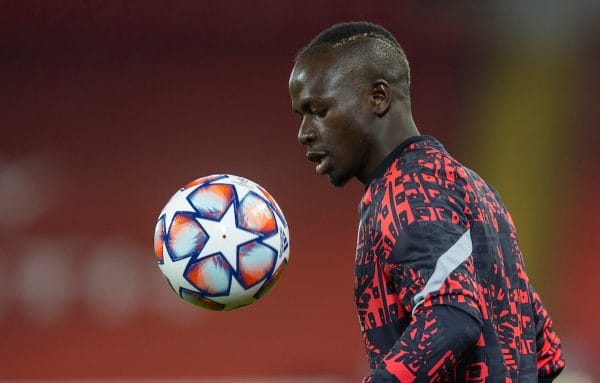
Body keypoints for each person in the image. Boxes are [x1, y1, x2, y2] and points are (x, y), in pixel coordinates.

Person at [288, 22, 565, 382]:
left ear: (378, 97)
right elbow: (546, 353)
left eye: (318, 111)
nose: (304, 133)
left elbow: (451, 314)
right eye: (302, 115)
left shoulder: (408, 188)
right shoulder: (477, 191)